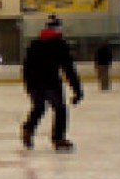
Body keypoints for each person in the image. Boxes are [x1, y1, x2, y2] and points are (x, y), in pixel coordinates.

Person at [21, 15, 83, 152]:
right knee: (60, 109)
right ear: (59, 29)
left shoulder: (34, 44)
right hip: (51, 83)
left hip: (34, 84)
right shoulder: (60, 44)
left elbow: (26, 66)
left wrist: (28, 84)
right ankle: (58, 138)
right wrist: (77, 90)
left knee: (39, 107)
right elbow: (68, 69)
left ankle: (28, 129)